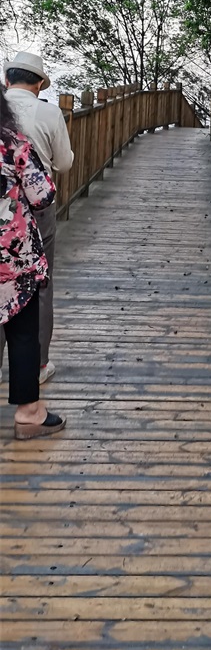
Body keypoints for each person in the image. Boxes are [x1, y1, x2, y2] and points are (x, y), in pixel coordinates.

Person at [0, 85, 66, 439]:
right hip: (11, 258)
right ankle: (29, 413)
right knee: (23, 331)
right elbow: (42, 196)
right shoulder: (11, 143)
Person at [4, 51, 74, 383]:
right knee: (40, 283)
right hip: (35, 208)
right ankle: (38, 365)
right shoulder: (49, 113)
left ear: (7, 80)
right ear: (39, 84)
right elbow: (63, 163)